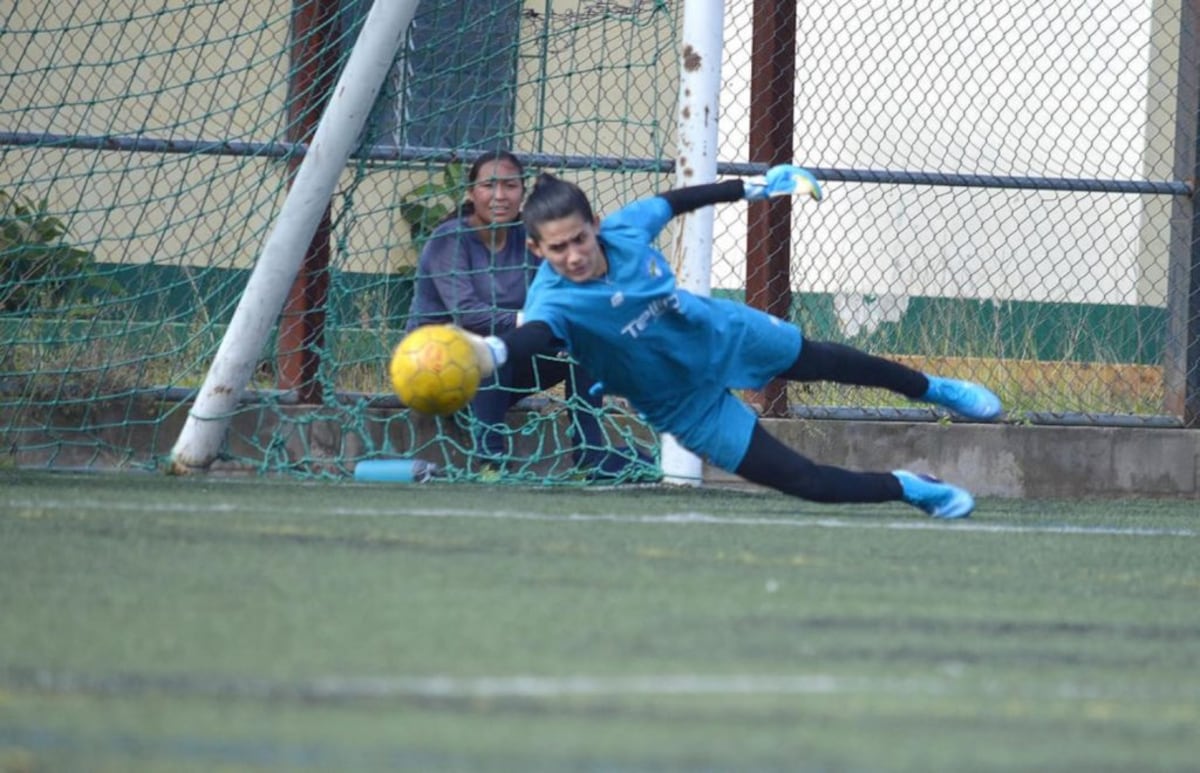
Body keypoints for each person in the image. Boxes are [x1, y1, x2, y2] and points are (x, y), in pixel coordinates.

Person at [457, 165, 1003, 517]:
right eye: (557, 249)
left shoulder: (626, 229)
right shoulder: (554, 299)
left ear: (596, 225)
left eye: (579, 238)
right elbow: (532, 337)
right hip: (680, 402)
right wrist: (487, 353)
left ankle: (936, 388)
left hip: (718, 332)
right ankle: (910, 488)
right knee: (802, 480)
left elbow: (677, 199)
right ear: (536, 250)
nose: (573, 255)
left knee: (827, 360)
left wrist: (760, 186)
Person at [405, 151, 655, 481]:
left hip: (499, 374)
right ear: (471, 192)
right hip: (435, 368)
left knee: (583, 346)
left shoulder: (532, 240)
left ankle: (590, 456)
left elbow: (562, 300)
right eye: (489, 185)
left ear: (522, 192)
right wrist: (532, 322)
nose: (499, 195)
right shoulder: (449, 239)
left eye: (510, 185)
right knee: (495, 344)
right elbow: (468, 316)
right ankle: (491, 462)